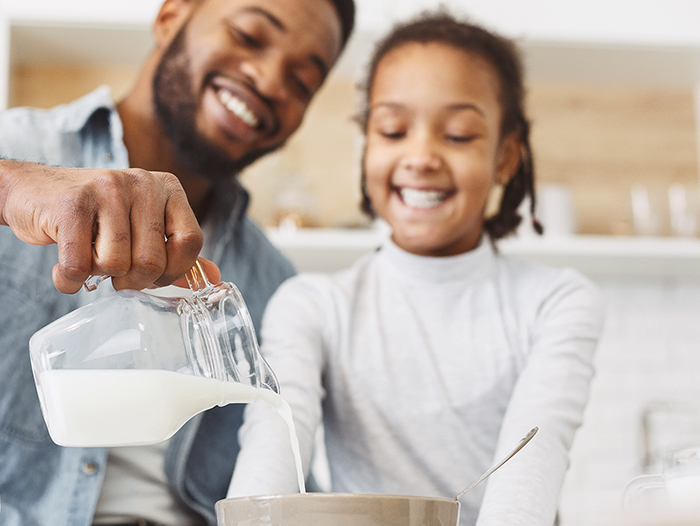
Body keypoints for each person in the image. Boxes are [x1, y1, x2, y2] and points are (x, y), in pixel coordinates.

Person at [0, 0, 355, 524]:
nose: (268, 81)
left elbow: (281, 478)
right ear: (172, 15)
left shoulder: (272, 281)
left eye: (302, 81)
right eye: (249, 35)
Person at [227, 11, 604, 526]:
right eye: (393, 130)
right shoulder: (313, 304)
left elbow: (535, 460)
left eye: (458, 135)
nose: (420, 156)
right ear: (367, 146)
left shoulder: (556, 301)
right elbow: (269, 456)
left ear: (506, 156)